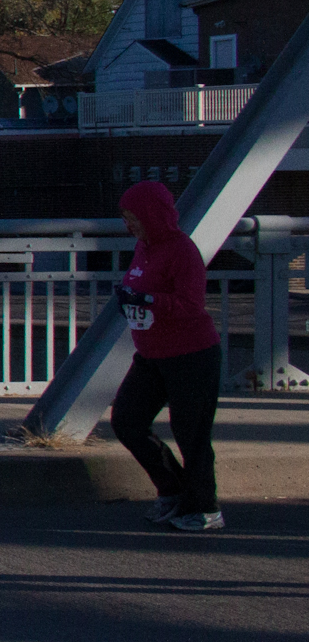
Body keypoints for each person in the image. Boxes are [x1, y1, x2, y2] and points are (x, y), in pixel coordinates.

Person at [110, 180, 225, 532]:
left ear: (153, 216)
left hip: (192, 354)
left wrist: (147, 301)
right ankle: (173, 491)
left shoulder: (182, 250)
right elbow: (143, 286)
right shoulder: (143, 247)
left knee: (190, 431)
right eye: (126, 218)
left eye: (135, 218)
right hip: (152, 355)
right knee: (127, 420)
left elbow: (191, 305)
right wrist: (129, 298)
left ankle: (205, 509)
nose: (129, 225)